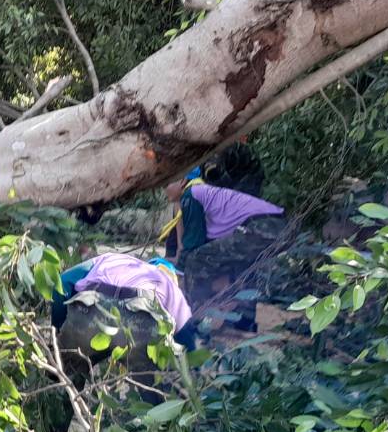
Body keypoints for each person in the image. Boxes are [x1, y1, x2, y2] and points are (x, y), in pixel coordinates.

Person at [164, 145, 284, 331]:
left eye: (166, 185)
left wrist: (179, 268)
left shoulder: (191, 194)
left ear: (182, 181)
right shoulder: (205, 192)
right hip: (277, 225)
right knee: (242, 265)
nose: (164, 190)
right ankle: (243, 321)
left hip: (259, 227)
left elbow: (192, 244)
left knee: (196, 260)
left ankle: (191, 320)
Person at [52, 254, 197, 380]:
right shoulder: (173, 290)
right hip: (141, 319)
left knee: (66, 376)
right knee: (149, 395)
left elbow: (62, 284)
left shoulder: (112, 259)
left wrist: (58, 330)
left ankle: (65, 404)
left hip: (91, 310)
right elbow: (187, 342)